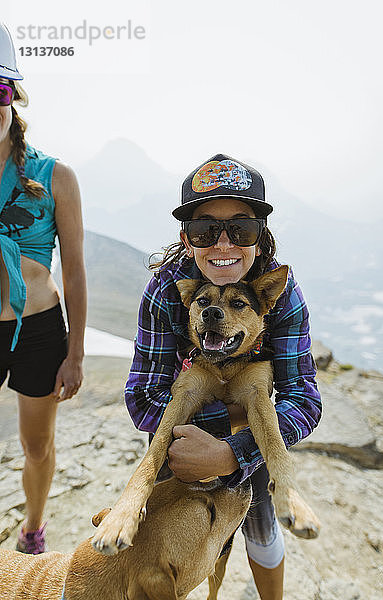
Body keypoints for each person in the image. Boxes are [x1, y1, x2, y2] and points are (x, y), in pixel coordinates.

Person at [124, 153, 321, 599]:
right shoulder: (167, 288)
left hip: (247, 428)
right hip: (183, 430)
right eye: (205, 230)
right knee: (156, 530)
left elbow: (304, 401)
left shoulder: (280, 292)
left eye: (242, 229)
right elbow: (142, 397)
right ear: (187, 238)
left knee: (262, 525)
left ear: (260, 237)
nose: (224, 244)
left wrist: (233, 451)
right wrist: (207, 437)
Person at [0, 23, 87, 554]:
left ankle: (33, 528)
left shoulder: (57, 176)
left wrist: (75, 353)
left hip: (38, 331)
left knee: (36, 445)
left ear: (14, 98)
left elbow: (74, 271)